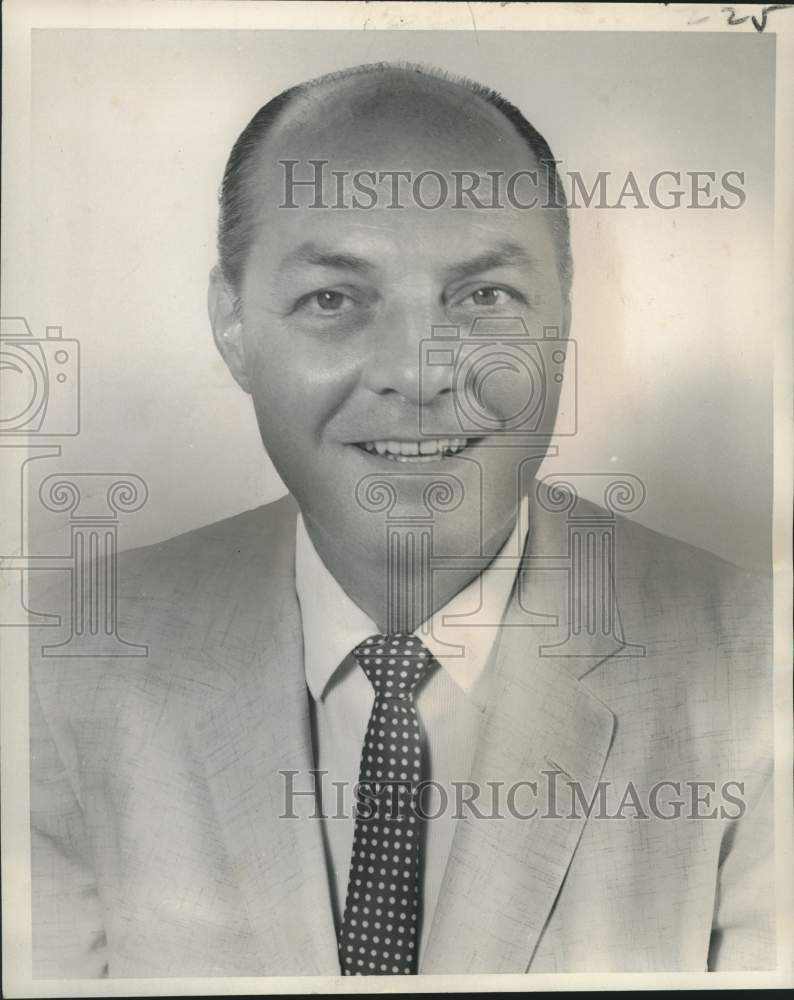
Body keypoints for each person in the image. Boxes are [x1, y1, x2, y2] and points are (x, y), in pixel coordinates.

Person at [29, 62, 774, 978]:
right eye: (334, 300)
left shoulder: (755, 671)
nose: (419, 374)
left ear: (562, 317)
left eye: (483, 298)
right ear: (232, 325)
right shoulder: (57, 664)